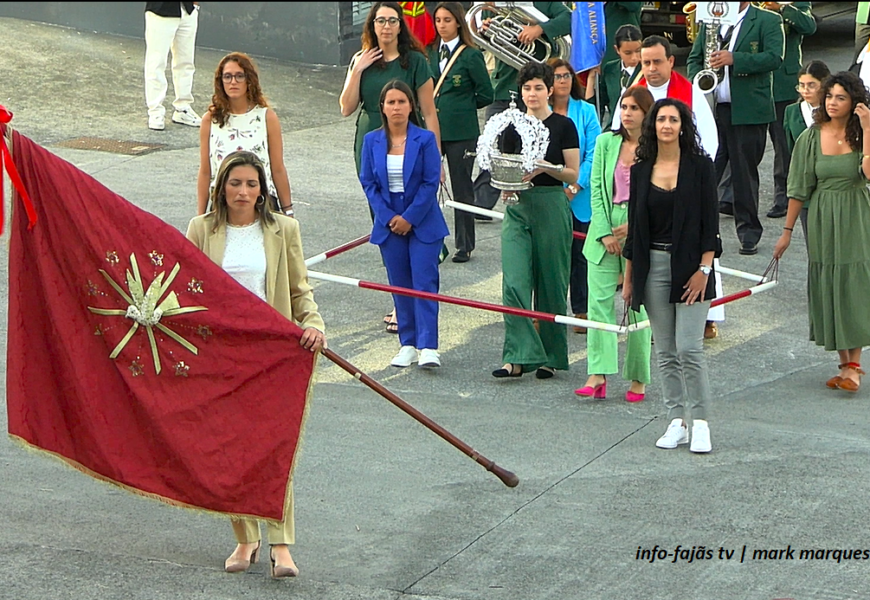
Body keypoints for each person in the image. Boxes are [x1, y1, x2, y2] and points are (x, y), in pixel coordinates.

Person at [186, 151, 326, 578]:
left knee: (272, 449)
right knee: (231, 449)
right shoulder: (200, 229)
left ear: (262, 190)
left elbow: (300, 289)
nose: (242, 192)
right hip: (222, 355)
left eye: (250, 184)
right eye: (234, 183)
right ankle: (245, 538)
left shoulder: (284, 229)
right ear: (221, 187)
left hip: (271, 355)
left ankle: (281, 546)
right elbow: (187, 293)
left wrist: (314, 322)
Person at [622, 98, 720, 453]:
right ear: (653, 126)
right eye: (660, 119)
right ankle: (676, 421)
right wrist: (631, 279)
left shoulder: (700, 167)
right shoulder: (641, 169)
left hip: (693, 268)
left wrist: (704, 270)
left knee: (690, 349)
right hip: (652, 268)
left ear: (683, 125)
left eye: (673, 119)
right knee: (665, 351)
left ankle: (702, 423)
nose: (666, 125)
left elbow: (712, 224)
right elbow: (635, 230)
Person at [339, 1, 441, 334]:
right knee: (384, 222)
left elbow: (429, 112)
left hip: (411, 146)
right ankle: (400, 302)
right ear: (372, 25)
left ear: (401, 26)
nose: (385, 26)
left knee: (413, 214)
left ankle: (415, 295)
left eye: (392, 21)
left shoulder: (416, 63)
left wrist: (436, 157)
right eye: (380, 20)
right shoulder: (362, 60)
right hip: (370, 145)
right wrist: (357, 69)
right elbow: (346, 108)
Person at [773, 71, 870, 393]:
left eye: (841, 97)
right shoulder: (810, 138)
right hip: (823, 217)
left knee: (853, 283)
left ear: (855, 101)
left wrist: (867, 129)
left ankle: (854, 365)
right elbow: (798, 188)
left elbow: (868, 174)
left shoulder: (863, 134)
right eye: (829, 96)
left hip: (857, 214)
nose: (832, 103)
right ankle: (845, 364)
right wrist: (786, 232)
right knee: (829, 281)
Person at [491, 62, 580, 380]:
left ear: (550, 89)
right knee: (514, 282)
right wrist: (505, 183)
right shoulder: (511, 125)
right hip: (518, 205)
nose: (532, 94)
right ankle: (517, 355)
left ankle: (551, 356)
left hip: (551, 203)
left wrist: (546, 167)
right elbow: (505, 165)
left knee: (552, 283)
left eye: (538, 87)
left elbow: (572, 173)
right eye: (527, 88)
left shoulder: (563, 125)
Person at [360, 80, 449, 368]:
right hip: (389, 222)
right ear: (382, 108)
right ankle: (407, 344)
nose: (396, 107)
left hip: (422, 220)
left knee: (424, 282)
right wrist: (388, 217)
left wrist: (409, 218)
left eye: (401, 102)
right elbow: (369, 183)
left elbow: (429, 182)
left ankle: (428, 347)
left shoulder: (424, 139)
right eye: (391, 102)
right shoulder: (371, 140)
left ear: (411, 106)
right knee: (400, 285)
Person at [687, 1, 784, 256]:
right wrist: (700, 81)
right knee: (705, 169)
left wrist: (734, 59)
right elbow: (694, 59)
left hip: (749, 109)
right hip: (716, 108)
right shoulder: (711, 21)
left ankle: (749, 233)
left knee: (744, 173)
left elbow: (774, 57)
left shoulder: (767, 20)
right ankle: (696, 229)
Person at [577, 85, 653, 402]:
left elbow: (661, 195)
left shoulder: (657, 150)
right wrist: (605, 231)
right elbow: (596, 189)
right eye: (624, 107)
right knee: (599, 305)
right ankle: (598, 373)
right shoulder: (606, 143)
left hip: (641, 230)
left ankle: (638, 377)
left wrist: (635, 228)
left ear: (646, 114)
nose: (627, 113)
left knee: (638, 308)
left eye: (634, 108)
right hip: (605, 230)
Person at [470, 1, 572, 215]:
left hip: (535, 89)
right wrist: (488, 31)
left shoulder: (547, 3)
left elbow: (569, 19)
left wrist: (539, 29)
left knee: (533, 145)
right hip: (505, 85)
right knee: (493, 144)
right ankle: (482, 203)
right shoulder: (500, 4)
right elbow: (486, 42)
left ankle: (525, 191)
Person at [427, 2, 493, 263]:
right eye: (438, 20)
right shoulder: (431, 52)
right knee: (427, 183)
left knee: (462, 187)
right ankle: (430, 240)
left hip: (461, 131)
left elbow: (485, 93)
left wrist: (462, 108)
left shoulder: (470, 55)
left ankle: (464, 245)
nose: (441, 25)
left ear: (458, 22)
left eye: (447, 20)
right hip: (432, 129)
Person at [196, 53, 293, 219]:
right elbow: (205, 172)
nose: (233, 82)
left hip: (261, 203)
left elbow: (277, 168)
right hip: (223, 206)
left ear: (249, 80)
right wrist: (199, 217)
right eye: (227, 77)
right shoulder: (210, 120)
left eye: (239, 76)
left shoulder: (266, 117)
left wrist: (288, 211)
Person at [548, 57, 601, 332]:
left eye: (567, 75)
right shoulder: (539, 112)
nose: (563, 81)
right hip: (547, 195)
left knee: (581, 254)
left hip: (580, 196)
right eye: (557, 76)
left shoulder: (587, 111)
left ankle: (582, 310)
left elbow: (594, 152)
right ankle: (547, 311)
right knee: (551, 255)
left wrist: (574, 185)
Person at [760, 1, 816, 219]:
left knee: (783, 146)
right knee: (741, 144)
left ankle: (783, 195)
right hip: (751, 83)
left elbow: (809, 26)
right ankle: (728, 194)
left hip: (782, 83)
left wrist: (782, 8)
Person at [781, 59, 830, 240]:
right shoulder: (792, 112)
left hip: (830, 185)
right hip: (806, 190)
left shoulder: (835, 111)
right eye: (801, 85)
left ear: (824, 85)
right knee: (814, 245)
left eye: (811, 85)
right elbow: (790, 150)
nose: (805, 90)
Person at [144, 2, 201, 131]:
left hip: (188, 10)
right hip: (160, 10)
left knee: (186, 61)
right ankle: (155, 111)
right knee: (157, 62)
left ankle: (183, 108)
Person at [586, 24, 643, 129]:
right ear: (617, 50)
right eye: (628, 53)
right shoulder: (610, 68)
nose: (634, 57)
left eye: (638, 51)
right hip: (614, 129)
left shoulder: (646, 70)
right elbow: (598, 105)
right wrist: (591, 79)